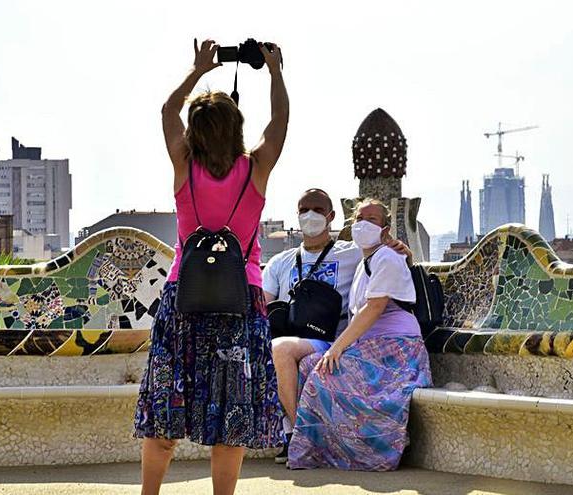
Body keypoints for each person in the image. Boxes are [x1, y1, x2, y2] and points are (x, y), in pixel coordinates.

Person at [133, 38, 288, 495]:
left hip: (185, 301)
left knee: (166, 412)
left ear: (196, 132)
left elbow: (167, 111)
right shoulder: (255, 169)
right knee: (230, 418)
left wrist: (199, 68)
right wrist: (276, 72)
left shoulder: (184, 167)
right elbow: (279, 122)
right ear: (236, 129)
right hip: (241, 305)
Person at [262, 189, 410, 465]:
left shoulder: (351, 253)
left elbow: (386, 260)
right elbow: (262, 306)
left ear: (331, 216)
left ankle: (298, 434)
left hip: (332, 340)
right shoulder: (279, 263)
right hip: (293, 335)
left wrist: (403, 250)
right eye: (304, 209)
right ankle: (295, 431)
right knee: (276, 348)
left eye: (318, 210)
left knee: (280, 350)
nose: (311, 215)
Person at [287, 199, 432, 471]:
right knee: (308, 365)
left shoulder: (387, 257)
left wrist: (336, 347)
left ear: (385, 229)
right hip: (371, 346)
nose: (363, 224)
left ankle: (364, 453)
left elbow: (375, 307)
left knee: (323, 371)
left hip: (395, 350)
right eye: (359, 219)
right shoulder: (365, 260)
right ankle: (322, 449)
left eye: (372, 219)